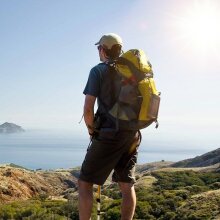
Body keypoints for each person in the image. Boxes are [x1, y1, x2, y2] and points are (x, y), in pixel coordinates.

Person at [78, 33, 140, 220]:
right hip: (132, 134)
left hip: (109, 134)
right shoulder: (133, 72)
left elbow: (88, 109)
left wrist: (91, 130)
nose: (98, 51)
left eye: (99, 48)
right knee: (126, 185)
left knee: (84, 183)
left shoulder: (98, 71)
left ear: (103, 49)